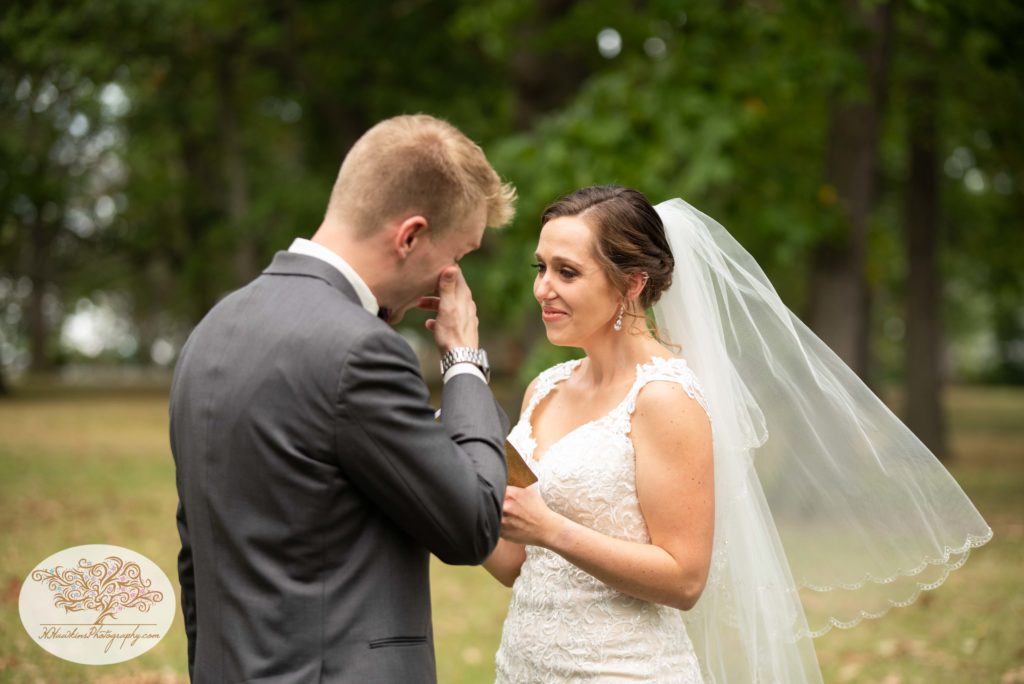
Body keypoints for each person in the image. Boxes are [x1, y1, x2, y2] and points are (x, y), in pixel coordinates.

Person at [486, 185, 992, 683]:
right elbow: (514, 563)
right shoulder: (544, 389)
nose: (542, 289)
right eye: (541, 267)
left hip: (620, 671)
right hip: (521, 667)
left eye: (566, 272)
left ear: (632, 283)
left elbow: (685, 578)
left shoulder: (664, 398)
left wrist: (553, 529)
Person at [169, 114, 516, 683]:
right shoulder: (362, 351)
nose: (453, 280)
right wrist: (463, 362)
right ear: (410, 236)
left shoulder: (214, 328)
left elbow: (197, 555)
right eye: (459, 255)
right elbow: (472, 524)